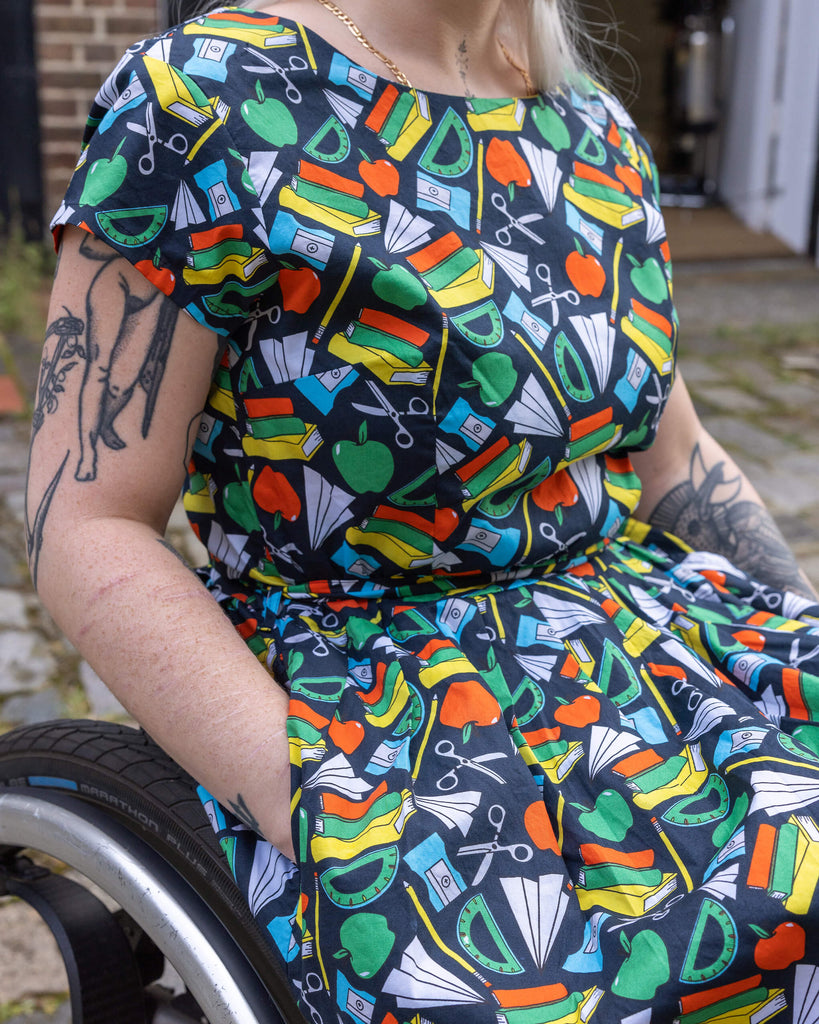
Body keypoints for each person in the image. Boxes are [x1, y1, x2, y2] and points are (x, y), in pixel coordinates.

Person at [27, 0, 819, 1020]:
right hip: (380, 704)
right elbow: (84, 521)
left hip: (639, 651)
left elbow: (677, 460)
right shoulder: (206, 103)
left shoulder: (594, 133)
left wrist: (793, 638)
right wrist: (308, 793)